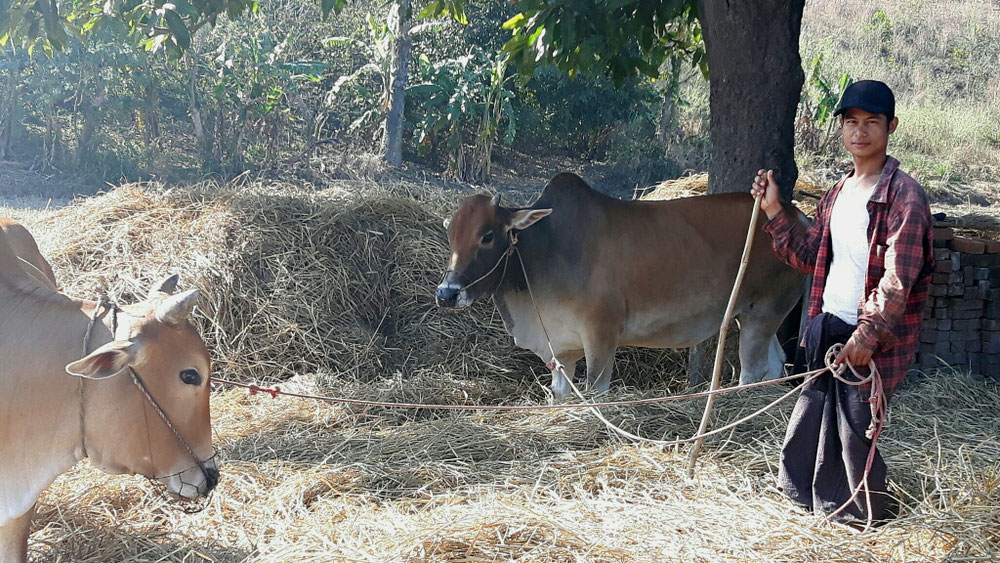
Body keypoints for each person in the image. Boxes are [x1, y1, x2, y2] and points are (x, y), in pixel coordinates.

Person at [750, 80, 934, 523]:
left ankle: (858, 515)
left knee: (855, 429)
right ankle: (804, 500)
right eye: (851, 122)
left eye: (872, 122)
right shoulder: (838, 191)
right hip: (825, 323)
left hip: (865, 334)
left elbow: (898, 277)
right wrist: (775, 211)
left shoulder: (904, 195)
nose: (860, 132)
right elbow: (812, 258)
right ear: (841, 129)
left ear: (891, 126)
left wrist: (867, 335)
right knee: (812, 418)